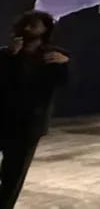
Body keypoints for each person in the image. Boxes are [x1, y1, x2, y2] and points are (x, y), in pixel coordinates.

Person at [0, 11, 70, 208]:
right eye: (26, 24)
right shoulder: (6, 53)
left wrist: (65, 65)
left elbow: (64, 84)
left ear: (45, 29)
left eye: (34, 25)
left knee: (13, 174)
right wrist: (9, 56)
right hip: (3, 117)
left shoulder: (54, 56)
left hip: (28, 124)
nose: (28, 28)